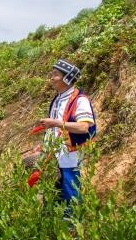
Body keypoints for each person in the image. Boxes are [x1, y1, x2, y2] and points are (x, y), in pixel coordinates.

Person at [36, 59, 96, 220]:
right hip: (54, 156)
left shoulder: (80, 100)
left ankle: (73, 233)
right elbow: (55, 129)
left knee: (70, 195)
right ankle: (53, 229)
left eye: (55, 74)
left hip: (70, 157)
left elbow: (84, 127)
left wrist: (54, 122)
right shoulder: (57, 99)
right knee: (52, 194)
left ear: (67, 78)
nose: (51, 77)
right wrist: (44, 145)